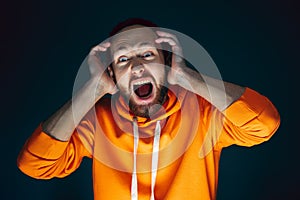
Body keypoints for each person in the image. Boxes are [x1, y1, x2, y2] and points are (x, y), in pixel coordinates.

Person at [17, 18, 280, 200]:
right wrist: (94, 90)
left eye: (147, 54)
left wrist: (186, 76)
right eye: (122, 59)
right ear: (112, 74)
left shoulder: (202, 114)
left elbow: (265, 123)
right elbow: (34, 165)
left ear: (166, 62)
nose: (136, 66)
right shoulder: (97, 123)